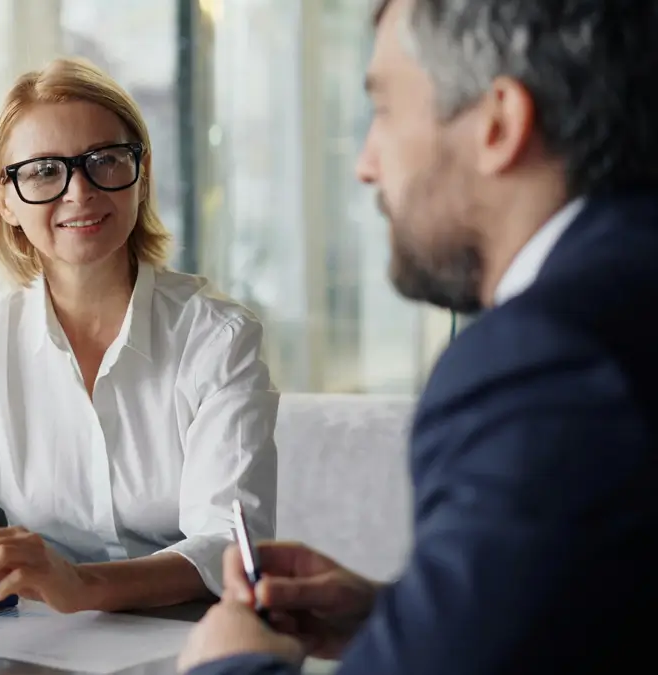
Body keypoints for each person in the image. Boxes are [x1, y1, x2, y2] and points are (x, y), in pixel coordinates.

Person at [177, 0, 658, 673]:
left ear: (498, 124)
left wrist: (227, 663)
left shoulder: (546, 358)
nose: (365, 165)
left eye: (383, 110)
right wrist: (397, 617)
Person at [0, 56, 279, 614]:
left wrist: (81, 585)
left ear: (140, 176)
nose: (79, 192)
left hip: (192, 635)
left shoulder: (218, 336)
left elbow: (227, 547)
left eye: (105, 161)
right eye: (44, 171)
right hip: (39, 641)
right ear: (4, 201)